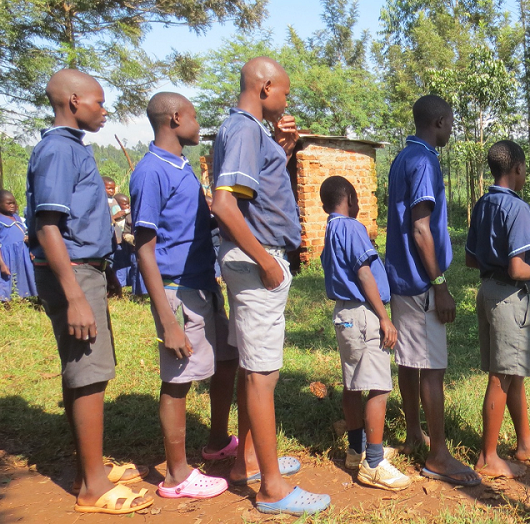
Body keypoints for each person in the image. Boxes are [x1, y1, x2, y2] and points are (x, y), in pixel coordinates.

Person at [26, 68, 152, 514]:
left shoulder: (71, 148)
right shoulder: (59, 151)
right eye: (99, 102)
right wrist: (76, 294)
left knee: (85, 370)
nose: (104, 109)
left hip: (84, 270)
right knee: (88, 373)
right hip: (72, 273)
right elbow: (48, 226)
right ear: (74, 100)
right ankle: (93, 489)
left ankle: (89, 467)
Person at [211, 57, 330, 515]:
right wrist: (266, 259)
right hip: (257, 261)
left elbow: (257, 191)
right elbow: (225, 205)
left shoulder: (248, 131)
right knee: (264, 374)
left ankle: (247, 463)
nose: (286, 100)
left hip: (256, 259)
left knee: (252, 366)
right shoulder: (242, 128)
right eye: (283, 91)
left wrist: (281, 147)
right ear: (263, 88)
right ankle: (273, 489)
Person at [131, 92, 239, 500]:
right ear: (176, 118)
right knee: (179, 379)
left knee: (227, 361)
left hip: (203, 287)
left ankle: (215, 441)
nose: (198, 123)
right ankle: (176, 475)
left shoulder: (182, 166)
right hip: (177, 291)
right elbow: (144, 246)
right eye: (194, 116)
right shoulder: (150, 171)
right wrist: (169, 321)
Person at [385, 95, 480, 486]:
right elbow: (422, 227)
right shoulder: (424, 160)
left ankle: (412, 434)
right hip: (422, 281)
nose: (452, 129)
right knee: (433, 368)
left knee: (409, 361)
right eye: (452, 122)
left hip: (401, 278)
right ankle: (437, 455)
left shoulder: (401, 158)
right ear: (439, 121)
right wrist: (440, 284)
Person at [465, 140, 530, 478]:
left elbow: (470, 257)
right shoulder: (517, 208)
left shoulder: (483, 203)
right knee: (501, 377)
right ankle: (488, 457)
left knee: (513, 374)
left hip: (488, 292)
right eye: (525, 169)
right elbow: (518, 269)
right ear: (518, 168)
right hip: (510, 298)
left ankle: (525, 443)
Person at [320, 176, 411, 492]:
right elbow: (364, 273)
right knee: (378, 385)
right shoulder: (352, 228)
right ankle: (373, 463)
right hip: (362, 314)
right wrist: (384, 319)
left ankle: (357, 449)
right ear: (350, 199)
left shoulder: (330, 230)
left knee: (353, 381)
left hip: (343, 316)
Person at [0, 190, 37, 301]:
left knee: (23, 276)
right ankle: (6, 302)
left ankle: (23, 298)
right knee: (8, 279)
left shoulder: (16, 218)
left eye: (14, 203)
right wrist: (1, 264)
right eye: (8, 203)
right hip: (7, 256)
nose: (12, 206)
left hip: (22, 253)